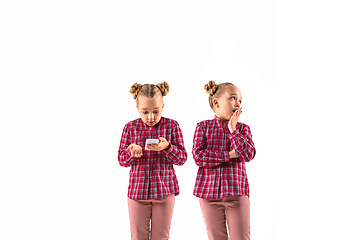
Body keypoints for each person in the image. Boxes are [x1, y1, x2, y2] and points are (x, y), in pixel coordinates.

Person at [118, 82, 187, 240]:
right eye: (145, 112)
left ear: (163, 106)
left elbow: (182, 158)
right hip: (137, 192)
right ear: (137, 108)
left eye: (156, 111)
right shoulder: (129, 128)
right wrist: (131, 152)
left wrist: (168, 147)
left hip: (164, 191)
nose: (151, 117)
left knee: (161, 237)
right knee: (138, 237)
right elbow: (121, 160)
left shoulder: (172, 126)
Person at [192, 80, 256, 240]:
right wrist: (229, 155)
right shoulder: (202, 127)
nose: (238, 103)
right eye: (233, 98)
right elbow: (199, 156)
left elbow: (248, 154)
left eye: (240, 101)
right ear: (216, 102)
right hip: (208, 195)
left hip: (237, 194)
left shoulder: (243, 129)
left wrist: (233, 129)